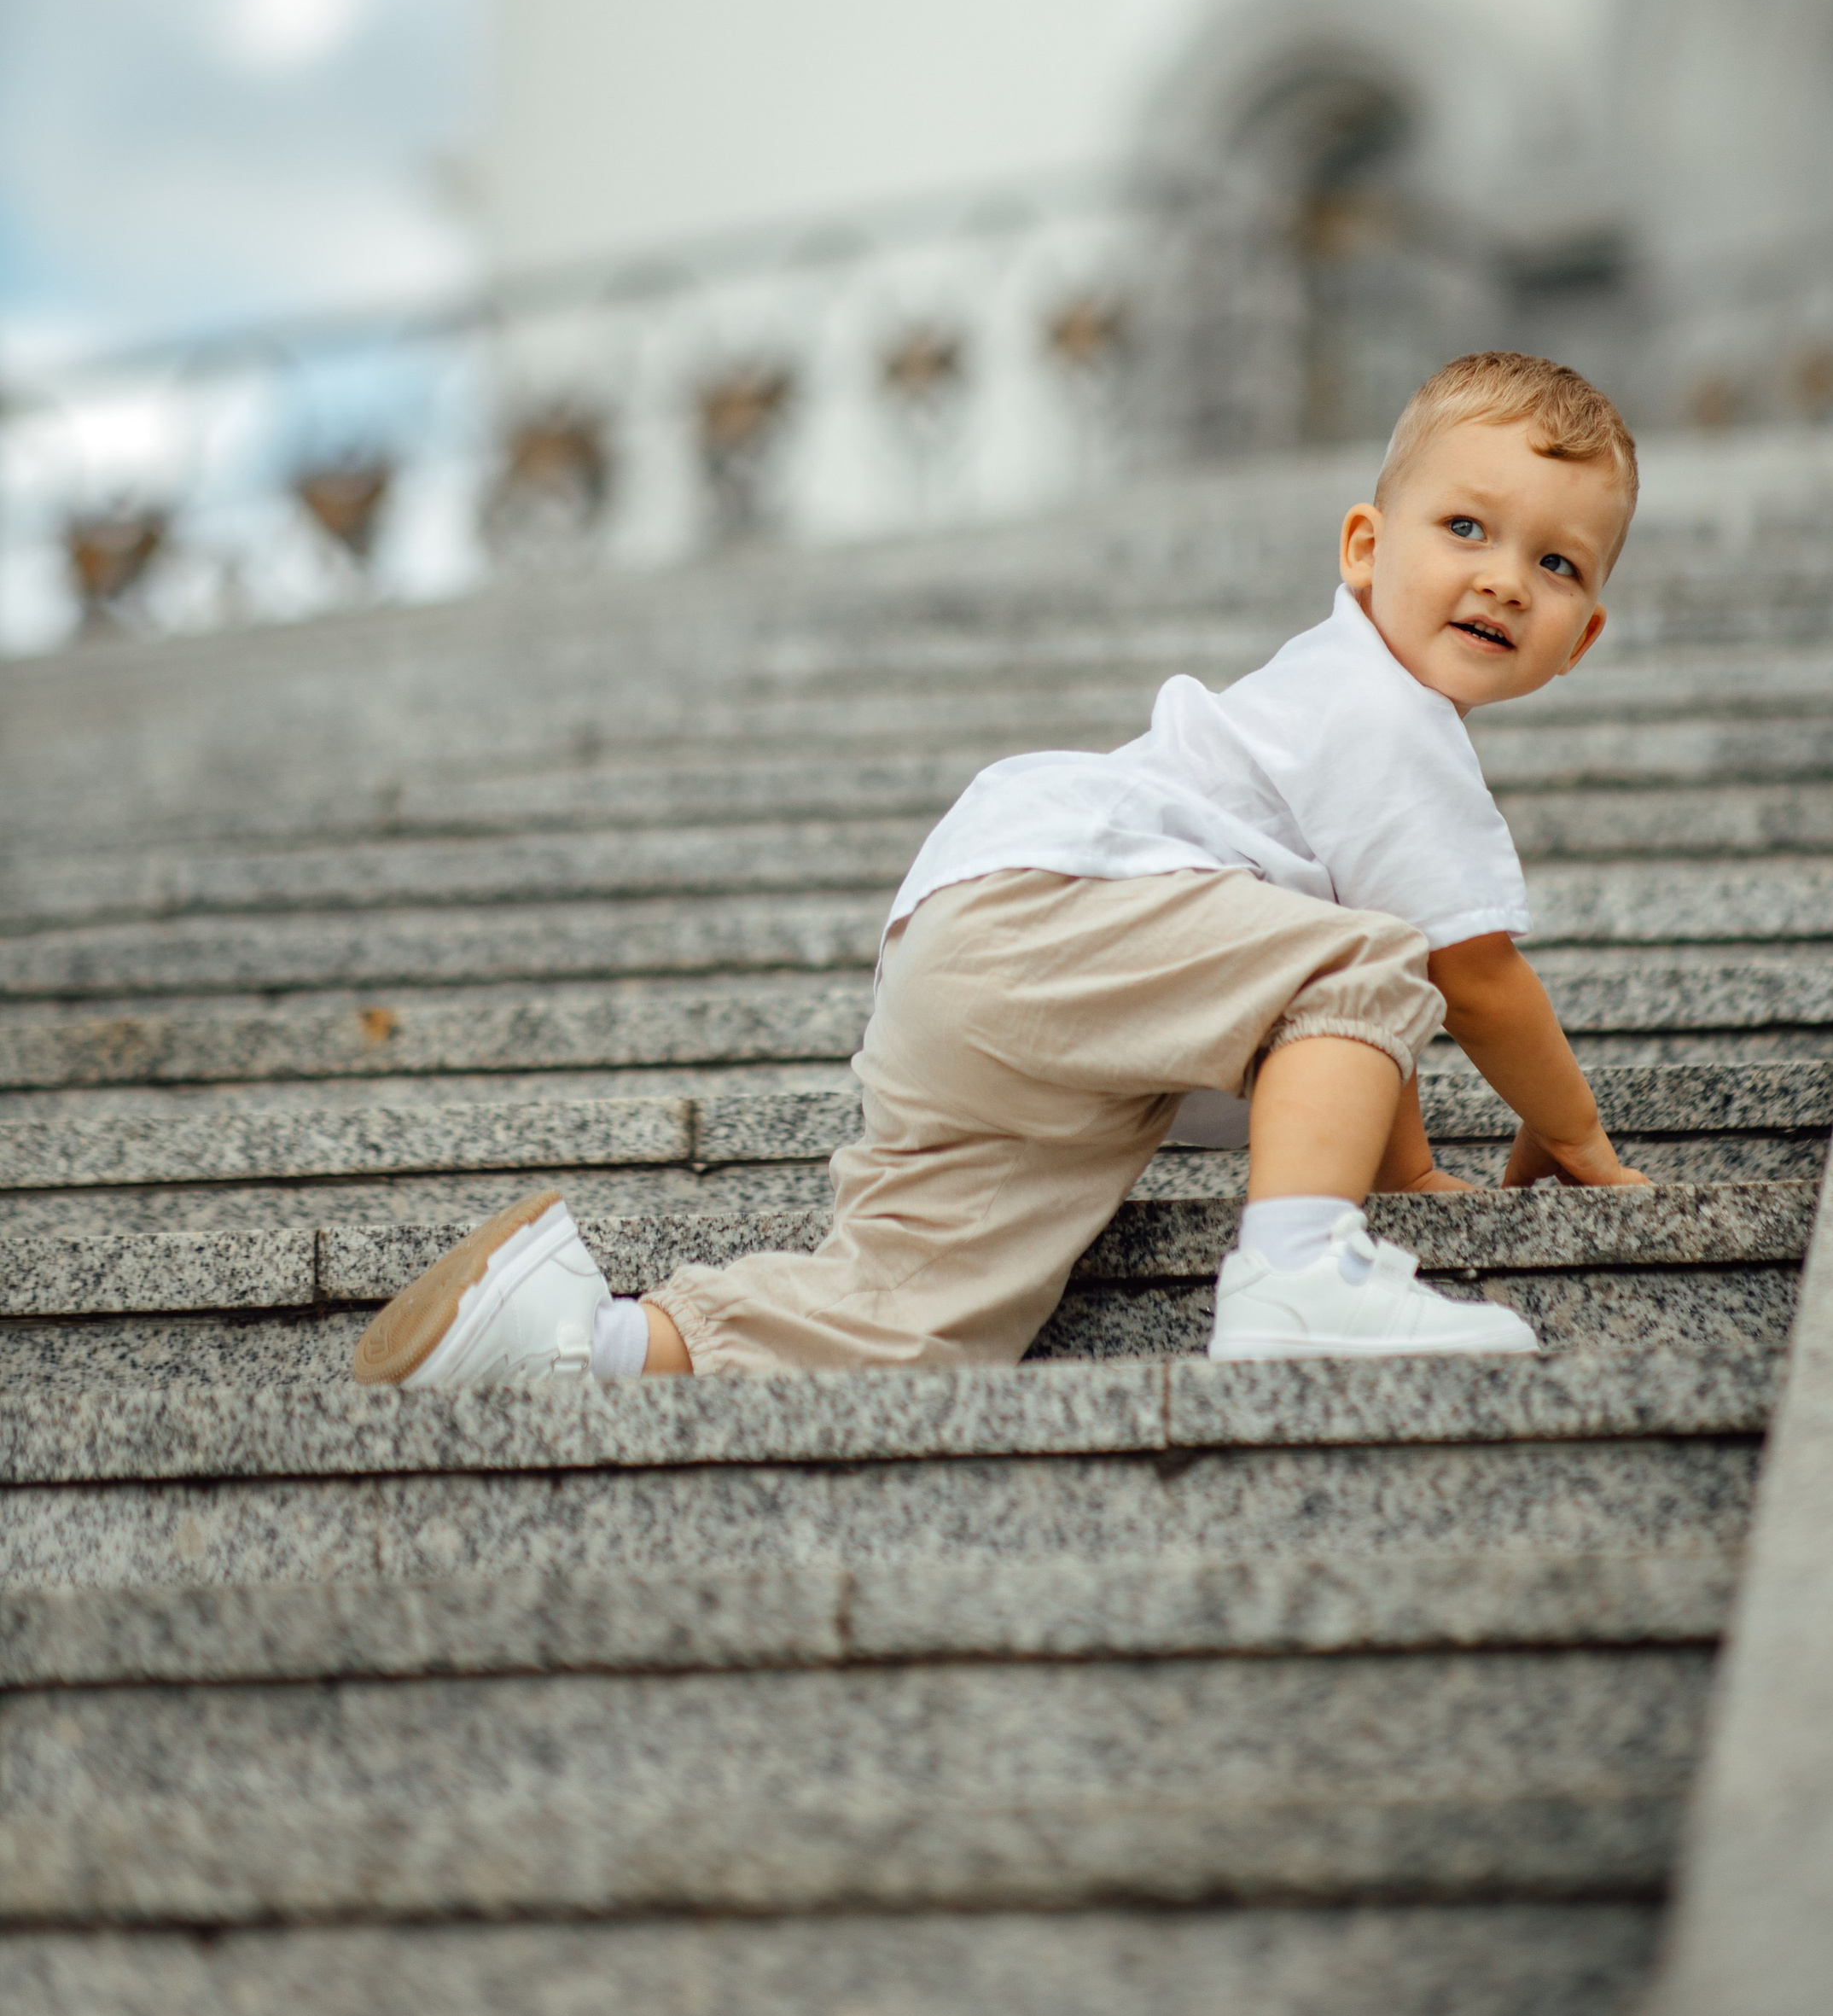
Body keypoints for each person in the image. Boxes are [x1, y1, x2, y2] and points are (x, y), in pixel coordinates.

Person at [353, 351, 1647, 1394]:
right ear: (1365, 546)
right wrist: (1572, 1134)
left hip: (970, 962)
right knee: (1379, 959)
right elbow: (1468, 976)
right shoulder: (1384, 714)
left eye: (1555, 564)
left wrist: (1404, 1175)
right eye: (1465, 527)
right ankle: (1303, 1276)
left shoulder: (1334, 710)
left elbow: (1327, 1003)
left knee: (921, 1311)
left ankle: (580, 1345)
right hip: (1056, 903)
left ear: (1581, 636)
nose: (1502, 581)